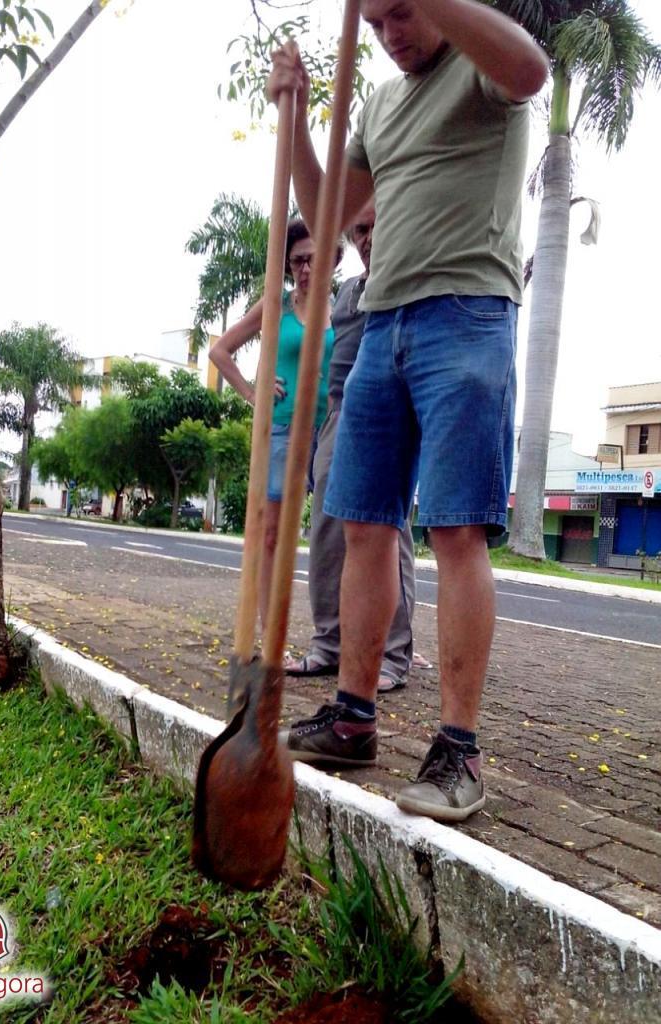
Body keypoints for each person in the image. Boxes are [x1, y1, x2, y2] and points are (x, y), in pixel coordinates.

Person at [268, 0, 548, 821]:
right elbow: (327, 214)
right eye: (379, 19)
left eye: (402, 14)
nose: (391, 33)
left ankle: (457, 751)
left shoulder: (479, 66)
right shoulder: (382, 101)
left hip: (465, 314)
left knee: (455, 528)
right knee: (361, 524)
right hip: (381, 321)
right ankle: (353, 717)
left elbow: (531, 69)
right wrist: (291, 123)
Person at [284, 201, 431, 692]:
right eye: (361, 230)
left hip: (388, 416)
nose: (368, 238)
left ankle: (392, 655)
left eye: (376, 227)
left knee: (386, 533)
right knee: (325, 528)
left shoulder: (410, 287)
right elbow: (330, 372)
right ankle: (328, 643)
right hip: (339, 418)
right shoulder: (346, 295)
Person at [209, 219, 337, 627]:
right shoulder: (276, 306)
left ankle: (334, 637)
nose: (305, 269)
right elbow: (220, 351)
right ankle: (269, 633)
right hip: (282, 429)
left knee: (336, 537)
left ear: (332, 262)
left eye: (314, 260)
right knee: (272, 535)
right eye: (298, 260)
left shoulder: (346, 305)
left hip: (332, 430)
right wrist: (253, 392)